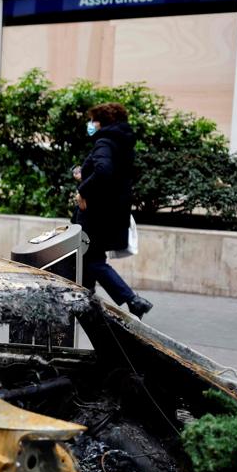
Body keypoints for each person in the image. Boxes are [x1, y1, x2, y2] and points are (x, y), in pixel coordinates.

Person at [75, 102, 153, 318]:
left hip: (96, 213)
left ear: (102, 122)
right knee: (87, 257)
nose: (90, 124)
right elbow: (112, 174)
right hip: (110, 211)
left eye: (93, 120)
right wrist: (84, 174)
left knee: (92, 259)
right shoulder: (122, 142)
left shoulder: (104, 142)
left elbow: (104, 171)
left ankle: (132, 300)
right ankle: (85, 302)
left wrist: (83, 190)